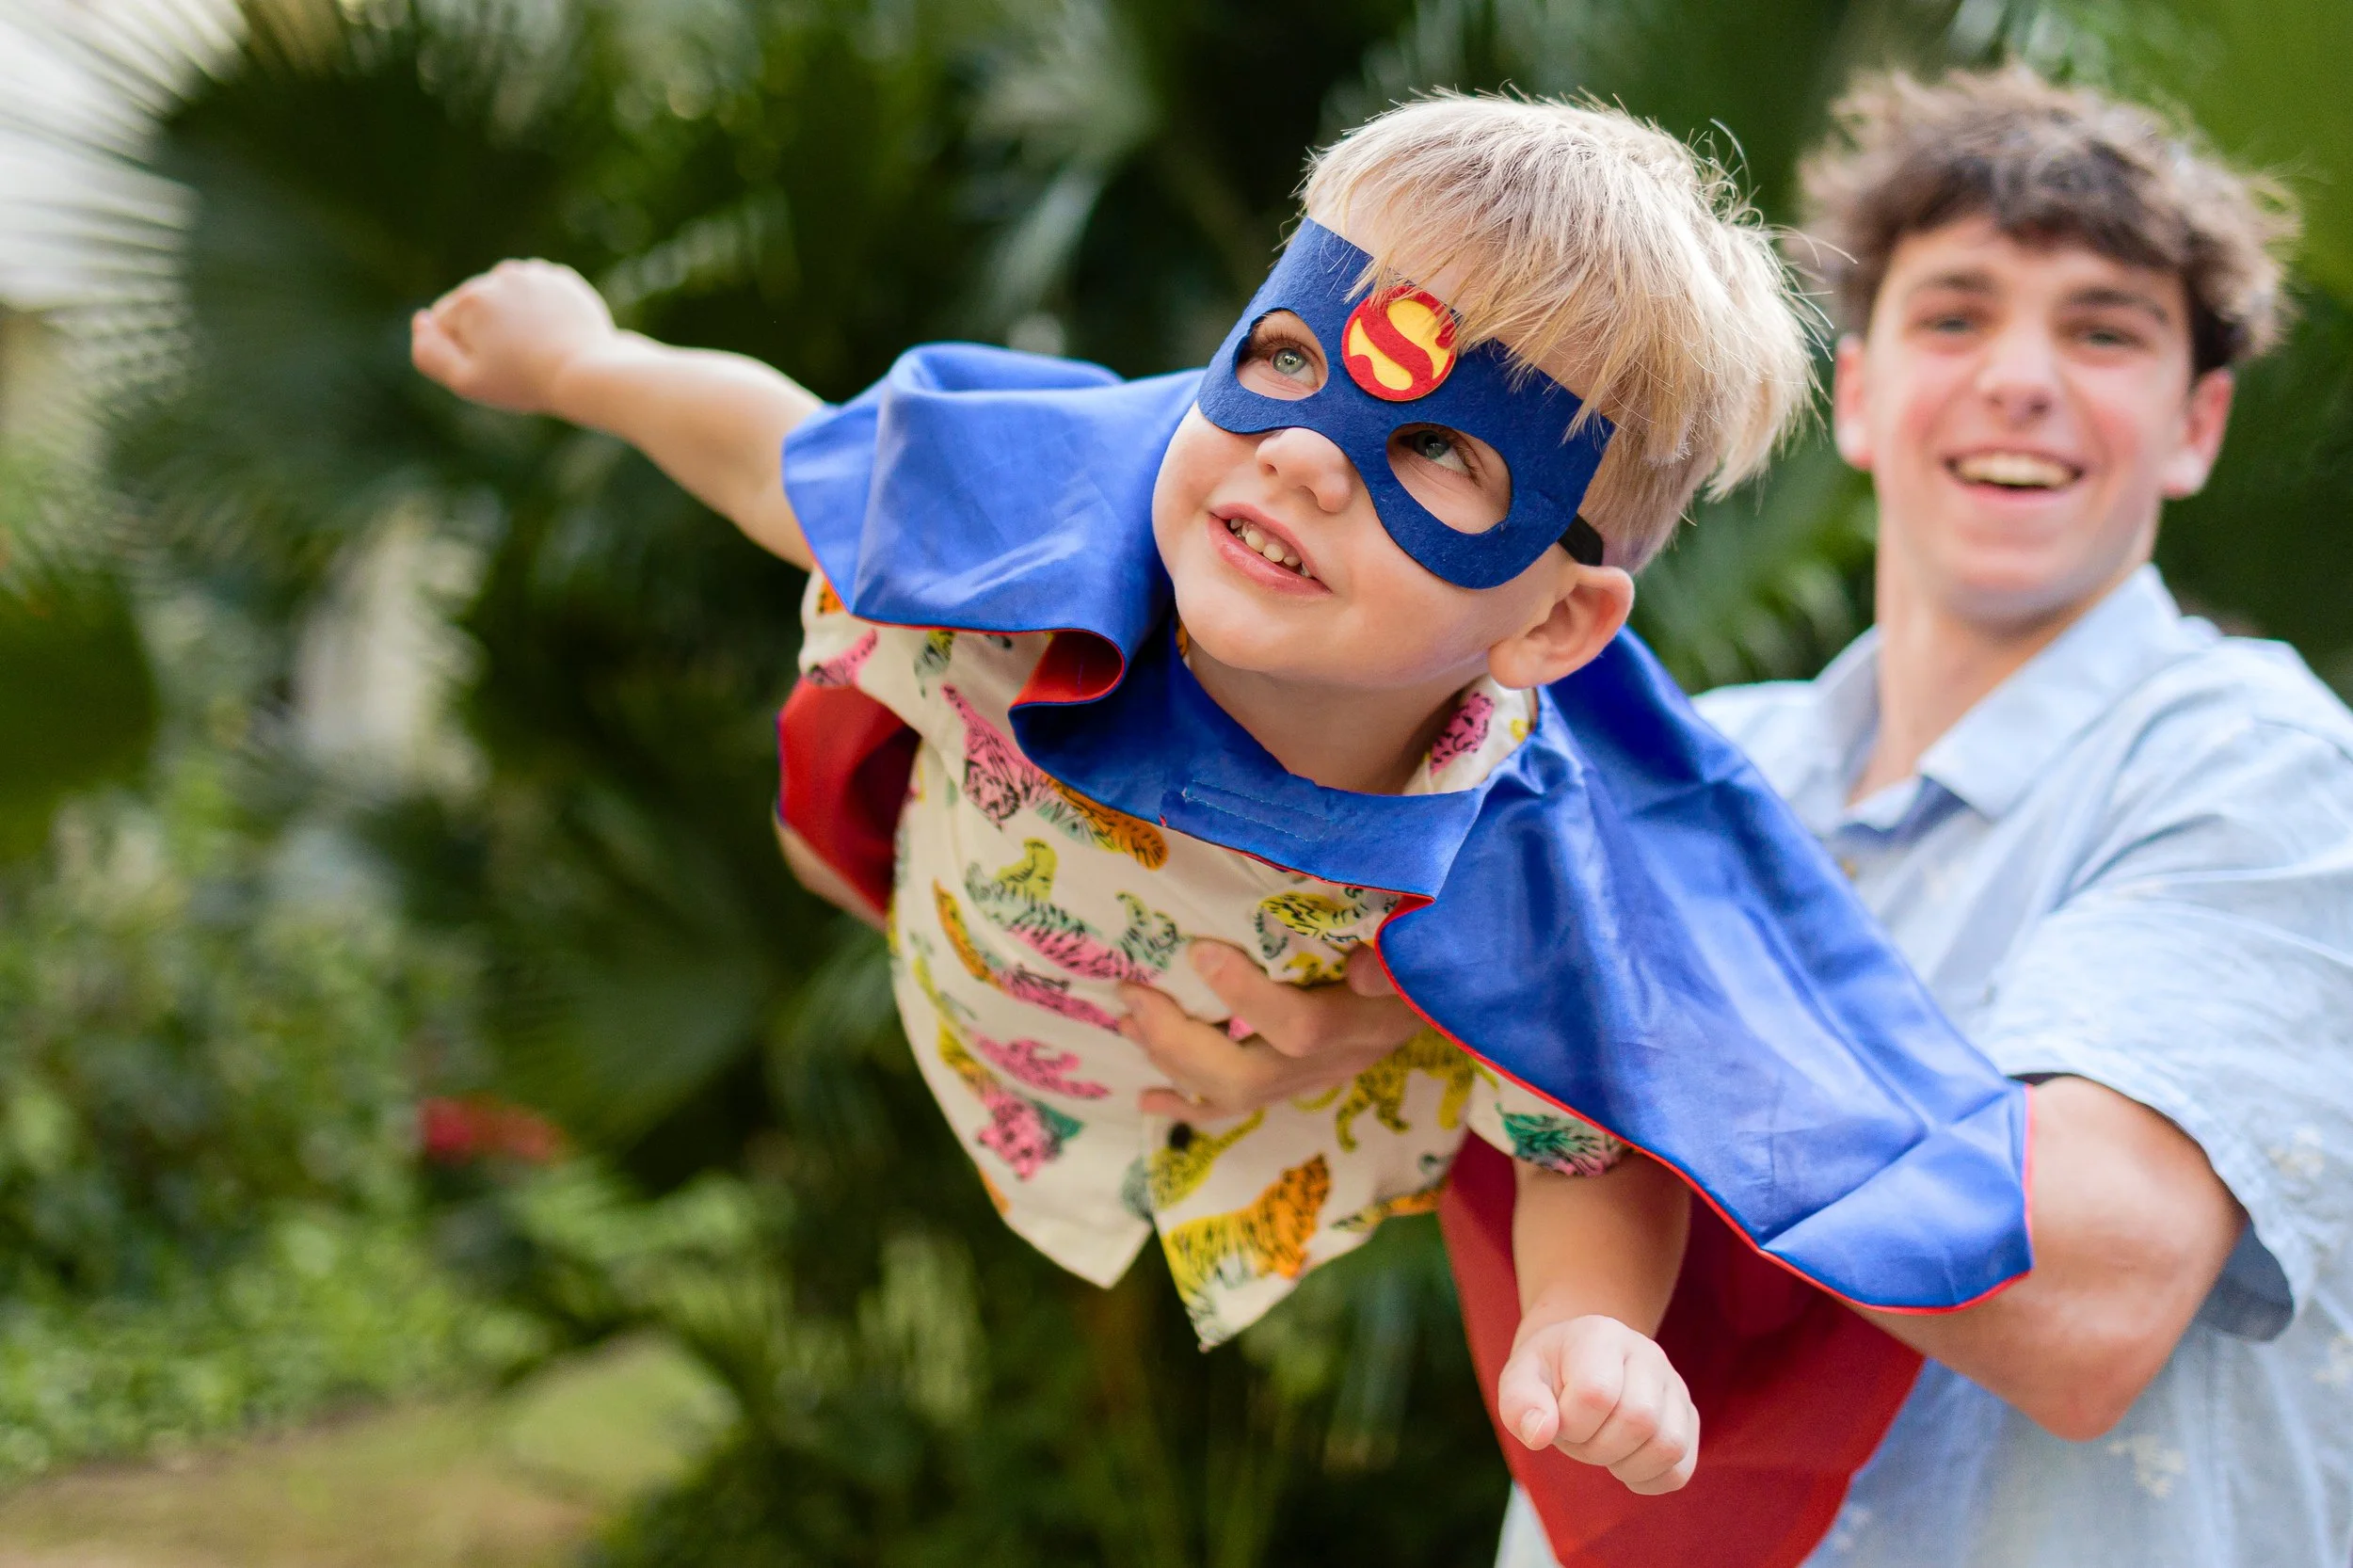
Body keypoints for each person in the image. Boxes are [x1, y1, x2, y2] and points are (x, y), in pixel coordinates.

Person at [408, 93, 2040, 1533]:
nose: (1311, 462)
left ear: (1549, 625)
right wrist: (584, 360)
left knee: (1547, 1033)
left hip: (1253, 1087)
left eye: (1448, 455)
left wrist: (1586, 1323)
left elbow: (1592, 1118)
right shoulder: (1050, 513)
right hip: (983, 859)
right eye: (1286, 359)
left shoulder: (1529, 841)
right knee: (824, 777)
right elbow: (785, 459)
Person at [1128, 68, 2353, 1568]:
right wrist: (1409, 1017)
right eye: (1956, 313)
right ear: (1862, 393)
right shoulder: (1659, 755)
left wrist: (1527, 1004)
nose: (2021, 376)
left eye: (2104, 329)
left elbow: (2088, 1291)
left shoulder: (2265, 765)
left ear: (2196, 424)